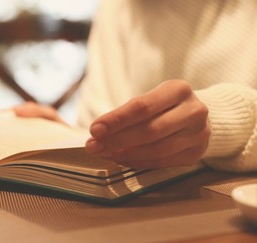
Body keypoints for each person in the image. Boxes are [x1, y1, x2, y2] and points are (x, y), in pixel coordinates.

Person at [14, 0, 257, 173]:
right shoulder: (120, 6)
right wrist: (68, 142)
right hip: (142, 214)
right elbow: (101, 120)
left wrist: (220, 122)